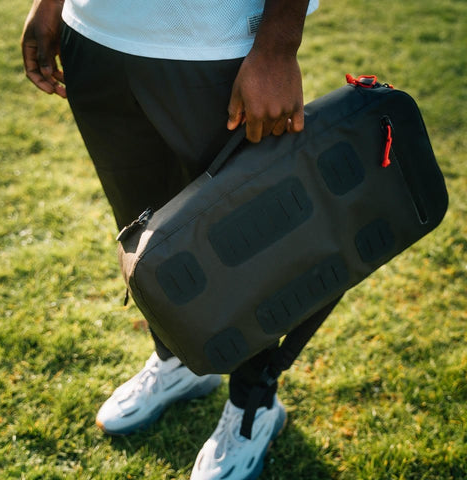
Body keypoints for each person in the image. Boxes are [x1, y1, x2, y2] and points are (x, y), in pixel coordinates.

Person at [22, 1, 340, 478]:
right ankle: (178, 363)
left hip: (213, 45)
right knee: (145, 232)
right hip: (92, 35)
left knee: (246, 246)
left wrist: (277, 47)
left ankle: (253, 403)